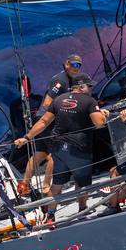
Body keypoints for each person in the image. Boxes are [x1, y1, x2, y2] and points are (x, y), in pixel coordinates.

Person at [15, 72, 106, 223]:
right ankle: (83, 209)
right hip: (79, 150)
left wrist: (26, 138)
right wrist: (102, 114)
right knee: (82, 182)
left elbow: (44, 121)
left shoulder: (59, 99)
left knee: (56, 184)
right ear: (80, 87)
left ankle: (50, 216)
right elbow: (99, 123)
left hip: (58, 149)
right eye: (88, 86)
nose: (90, 89)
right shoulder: (89, 101)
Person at [20, 54, 85, 196]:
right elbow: (47, 103)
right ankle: (46, 187)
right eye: (74, 65)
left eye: (79, 65)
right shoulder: (60, 81)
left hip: (45, 121)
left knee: (40, 154)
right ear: (66, 64)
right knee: (57, 155)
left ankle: (23, 186)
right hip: (47, 121)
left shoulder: (72, 80)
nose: (76, 68)